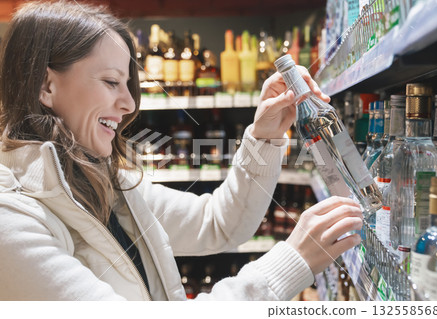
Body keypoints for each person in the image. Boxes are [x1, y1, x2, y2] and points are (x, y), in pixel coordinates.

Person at [0, 1, 362, 301]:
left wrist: (264, 135)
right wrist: (291, 262)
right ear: (46, 85)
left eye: (127, 85)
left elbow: (219, 223)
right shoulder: (12, 218)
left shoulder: (105, 184)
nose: (128, 104)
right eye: (111, 82)